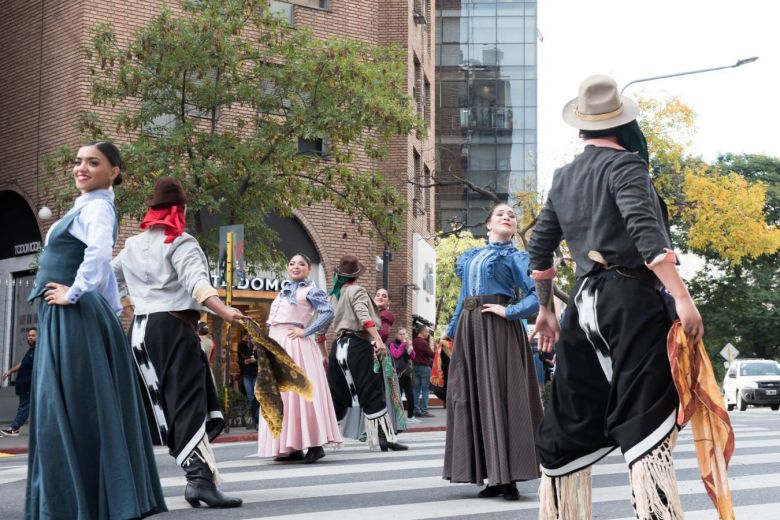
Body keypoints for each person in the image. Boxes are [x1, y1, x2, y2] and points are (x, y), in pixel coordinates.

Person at [528, 75, 703, 519]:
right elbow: (648, 237)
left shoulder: (564, 176)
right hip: (629, 299)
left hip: (583, 304)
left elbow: (540, 249)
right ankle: (655, 513)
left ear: (582, 127)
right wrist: (681, 297)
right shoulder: (627, 167)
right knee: (645, 408)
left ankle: (563, 512)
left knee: (573, 409)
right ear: (624, 125)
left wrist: (546, 308)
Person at [25, 141, 167, 518]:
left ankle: (77, 501)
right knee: (71, 404)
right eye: (77, 161)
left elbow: (100, 254)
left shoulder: (99, 208)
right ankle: (83, 498)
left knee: (69, 405)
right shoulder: (86, 206)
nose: (81, 168)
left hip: (72, 318)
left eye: (93, 162)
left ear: (114, 171)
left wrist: (74, 292)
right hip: (68, 318)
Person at [112, 176, 245, 509]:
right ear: (181, 209)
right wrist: (225, 311)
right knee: (187, 403)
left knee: (163, 405)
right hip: (172, 329)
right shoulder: (181, 242)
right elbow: (197, 284)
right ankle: (199, 481)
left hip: (140, 331)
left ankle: (194, 478)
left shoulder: (132, 245)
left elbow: (107, 278)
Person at [441, 203, 542, 501]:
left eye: (511, 215)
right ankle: (492, 476)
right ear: (488, 224)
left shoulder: (516, 257)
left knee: (501, 396)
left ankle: (508, 478)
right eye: (501, 215)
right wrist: (451, 331)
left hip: (499, 330)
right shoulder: (471, 256)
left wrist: (509, 310)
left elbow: (538, 297)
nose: (508, 218)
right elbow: (463, 299)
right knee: (474, 398)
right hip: (471, 331)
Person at [258, 253, 342, 463]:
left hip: (296, 345)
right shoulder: (284, 290)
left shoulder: (311, 290)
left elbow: (328, 313)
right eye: (292, 263)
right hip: (277, 343)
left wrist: (306, 331)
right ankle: (293, 447)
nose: (296, 266)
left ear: (308, 269)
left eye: (301, 264)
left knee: (301, 394)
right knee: (284, 396)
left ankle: (315, 445)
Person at [326, 254, 407, 451]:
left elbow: (323, 325)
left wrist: (322, 351)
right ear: (356, 275)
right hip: (358, 345)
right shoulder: (357, 290)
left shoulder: (334, 294)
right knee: (372, 388)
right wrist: (377, 339)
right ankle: (384, 437)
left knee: (337, 392)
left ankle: (324, 435)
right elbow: (364, 316)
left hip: (338, 347)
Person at [373, 288, 407, 433]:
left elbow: (384, 333)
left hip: (379, 355)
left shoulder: (385, 315)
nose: (380, 297)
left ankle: (386, 426)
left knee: (385, 390)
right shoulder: (372, 313)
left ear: (389, 302)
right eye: (378, 295)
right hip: (372, 353)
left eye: (384, 296)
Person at [1, 328, 37, 436]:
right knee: (27, 407)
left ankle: (14, 428)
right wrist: (10, 372)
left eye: (33, 335)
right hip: (24, 386)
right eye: (29, 335)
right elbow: (22, 364)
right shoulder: (31, 351)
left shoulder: (38, 351)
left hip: (29, 385)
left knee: (24, 407)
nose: (30, 337)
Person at [388, 328, 419, 423]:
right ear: (396, 335)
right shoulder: (392, 344)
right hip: (397, 373)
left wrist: (410, 347)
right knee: (398, 395)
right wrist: (403, 345)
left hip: (406, 373)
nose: (402, 335)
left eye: (404, 333)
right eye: (400, 334)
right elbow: (396, 355)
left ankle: (410, 416)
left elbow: (413, 357)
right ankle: (397, 417)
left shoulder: (406, 345)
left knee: (410, 395)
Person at [411, 324, 435, 418]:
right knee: (425, 390)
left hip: (415, 367)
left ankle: (416, 410)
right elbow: (431, 354)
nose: (428, 334)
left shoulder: (414, 342)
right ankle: (424, 411)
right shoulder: (423, 343)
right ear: (422, 331)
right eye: (427, 332)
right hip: (424, 368)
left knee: (416, 389)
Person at [238, 332, 260, 430]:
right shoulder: (247, 348)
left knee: (257, 398)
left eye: (253, 338)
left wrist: (256, 360)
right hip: (247, 375)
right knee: (250, 399)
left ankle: (257, 420)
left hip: (257, 375)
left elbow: (265, 362)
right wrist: (245, 361)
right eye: (250, 338)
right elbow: (241, 358)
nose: (251, 340)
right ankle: (253, 420)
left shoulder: (261, 350)